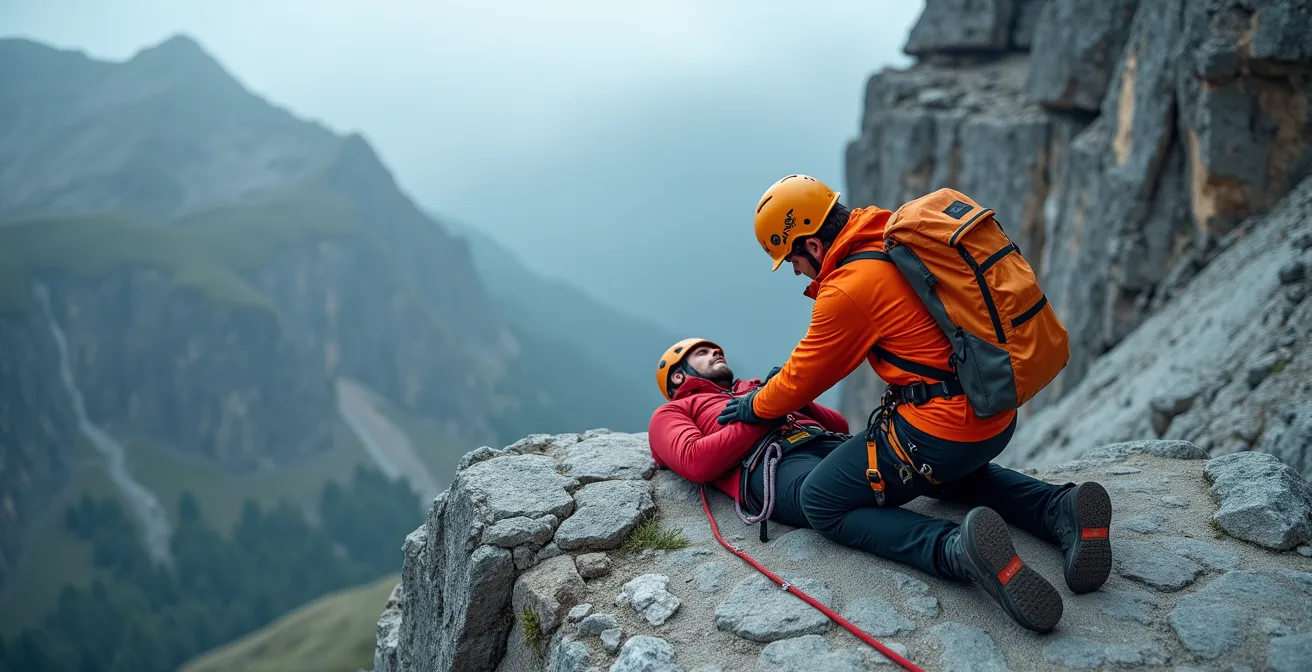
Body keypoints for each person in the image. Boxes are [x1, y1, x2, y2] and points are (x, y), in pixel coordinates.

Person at [714, 174, 1113, 634]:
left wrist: (752, 407)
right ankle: (1059, 508)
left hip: (942, 431)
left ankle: (956, 551)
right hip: (994, 409)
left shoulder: (847, 289)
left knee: (821, 500)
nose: (798, 273)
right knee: (941, 476)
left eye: (793, 261)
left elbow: (802, 380)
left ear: (813, 245)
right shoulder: (886, 232)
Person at [646, 338, 851, 540]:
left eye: (717, 351)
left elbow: (839, 426)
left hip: (826, 441)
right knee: (841, 493)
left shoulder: (755, 387)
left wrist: (796, 398)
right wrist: (767, 411)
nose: (716, 353)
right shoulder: (674, 410)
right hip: (775, 460)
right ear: (677, 377)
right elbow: (695, 460)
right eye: (703, 353)